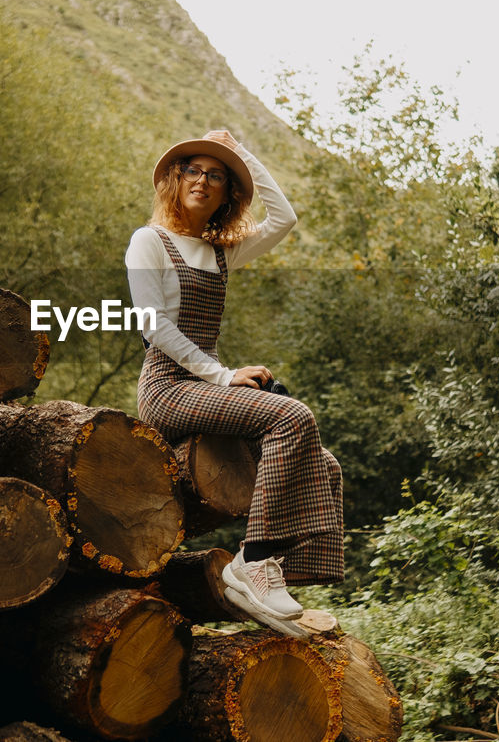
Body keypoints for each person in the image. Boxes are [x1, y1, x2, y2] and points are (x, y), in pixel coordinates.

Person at [125, 129, 344, 638]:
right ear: (175, 182)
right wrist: (226, 376)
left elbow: (284, 218)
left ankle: (274, 578)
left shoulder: (222, 251)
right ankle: (254, 560)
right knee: (294, 416)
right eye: (193, 171)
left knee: (324, 462)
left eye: (216, 175)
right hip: (167, 389)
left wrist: (242, 151)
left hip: (210, 388)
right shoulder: (149, 241)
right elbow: (153, 326)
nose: (203, 180)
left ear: (227, 193)